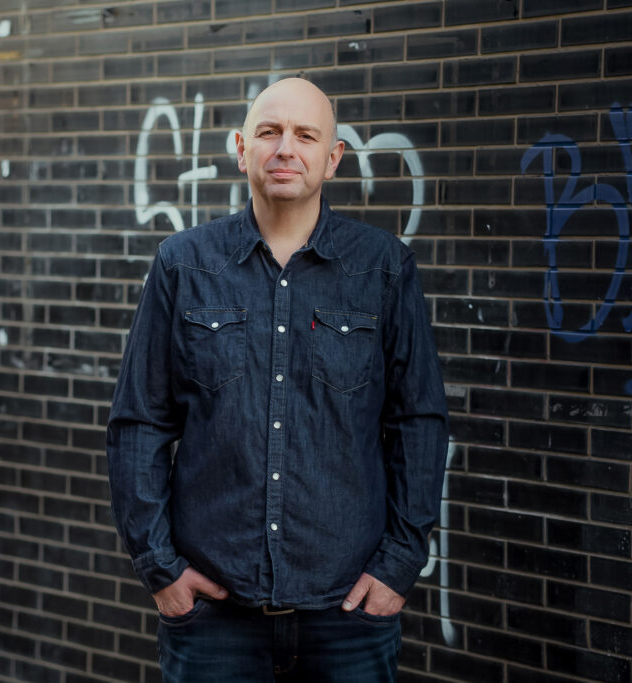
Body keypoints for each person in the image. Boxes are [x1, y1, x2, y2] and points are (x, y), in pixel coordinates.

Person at [107, 76, 448, 682]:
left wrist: (398, 566)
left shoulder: (383, 268)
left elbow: (418, 423)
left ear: (333, 158)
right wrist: (160, 570)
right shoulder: (182, 265)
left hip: (348, 618)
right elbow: (140, 423)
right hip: (214, 621)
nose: (286, 148)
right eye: (269, 132)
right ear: (242, 149)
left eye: (305, 135)